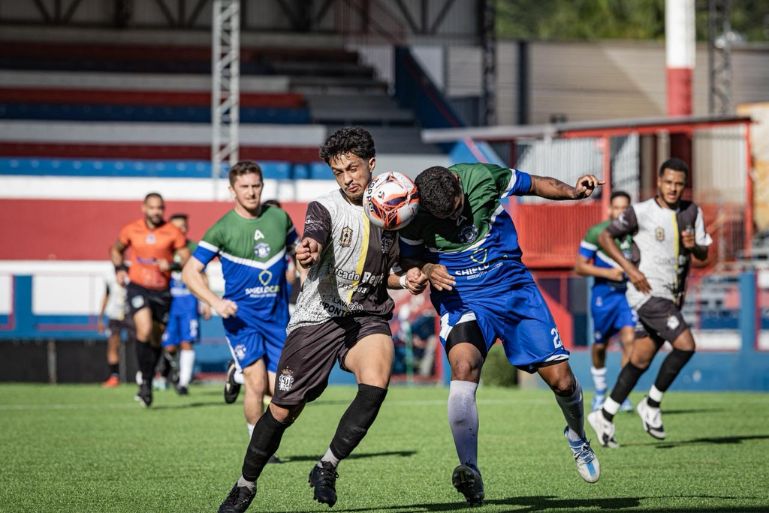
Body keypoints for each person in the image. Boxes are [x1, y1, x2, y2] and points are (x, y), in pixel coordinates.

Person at [216, 127, 426, 513]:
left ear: (371, 164)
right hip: (318, 317)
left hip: (366, 316)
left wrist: (407, 277)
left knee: (376, 382)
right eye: (338, 172)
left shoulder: (397, 208)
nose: (347, 178)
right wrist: (308, 251)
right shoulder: (325, 206)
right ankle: (245, 485)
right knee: (283, 410)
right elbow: (312, 237)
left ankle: (327, 465)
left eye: (353, 168)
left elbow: (391, 271)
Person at [399, 163, 603, 506]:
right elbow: (407, 261)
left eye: (457, 208)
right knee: (463, 367)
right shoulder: (414, 212)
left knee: (564, 383)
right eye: (444, 217)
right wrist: (429, 269)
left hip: (514, 290)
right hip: (462, 297)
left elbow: (536, 183)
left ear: (458, 184)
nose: (454, 220)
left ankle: (578, 437)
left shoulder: (482, 177)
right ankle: (470, 470)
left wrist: (572, 191)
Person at [588, 158, 711, 447]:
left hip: (672, 295)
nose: (673, 188)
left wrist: (696, 247)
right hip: (646, 293)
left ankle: (604, 415)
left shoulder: (692, 211)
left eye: (679, 184)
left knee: (640, 359)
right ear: (659, 181)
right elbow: (606, 236)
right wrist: (631, 271)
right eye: (668, 182)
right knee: (685, 344)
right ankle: (652, 404)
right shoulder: (640, 212)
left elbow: (704, 253)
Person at [183, 162, 297, 443]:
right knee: (256, 384)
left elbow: (300, 255)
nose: (251, 192)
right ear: (232, 190)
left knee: (287, 396)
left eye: (256, 185)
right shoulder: (222, 229)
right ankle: (258, 447)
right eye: (244, 187)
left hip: (278, 320)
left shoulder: (279, 218)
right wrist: (215, 302)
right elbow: (189, 272)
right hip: (241, 320)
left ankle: (236, 376)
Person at [111, 192, 189, 407]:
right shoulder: (131, 229)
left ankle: (147, 378)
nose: (156, 212)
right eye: (152, 207)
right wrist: (118, 269)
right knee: (144, 330)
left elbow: (186, 259)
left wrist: (172, 265)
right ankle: (145, 381)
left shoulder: (172, 232)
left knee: (155, 338)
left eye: (160, 208)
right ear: (144, 208)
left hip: (162, 292)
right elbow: (116, 250)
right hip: (138, 287)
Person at [223, 199, 301, 406]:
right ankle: (242, 374)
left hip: (278, 311)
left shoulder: (285, 241)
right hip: (249, 313)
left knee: (281, 384)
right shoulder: (250, 240)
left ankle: (238, 374)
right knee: (258, 380)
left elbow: (298, 259)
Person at [574, 190, 636, 412]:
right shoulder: (597, 233)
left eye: (625, 208)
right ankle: (600, 392)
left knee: (630, 340)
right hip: (603, 295)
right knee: (600, 345)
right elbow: (579, 266)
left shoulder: (633, 234)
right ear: (610, 209)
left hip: (626, 296)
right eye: (617, 207)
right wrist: (609, 273)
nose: (621, 212)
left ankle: (622, 394)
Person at [159, 213, 211, 395]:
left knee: (187, 343)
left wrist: (206, 301)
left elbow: (202, 274)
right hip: (169, 302)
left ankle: (183, 383)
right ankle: (169, 373)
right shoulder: (163, 247)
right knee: (169, 345)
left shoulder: (193, 248)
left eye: (183, 226)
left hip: (188, 302)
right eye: (175, 226)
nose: (179, 230)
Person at [98, 268, 133, 387]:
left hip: (129, 315)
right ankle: (114, 376)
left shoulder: (132, 279)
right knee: (113, 345)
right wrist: (100, 318)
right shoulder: (110, 280)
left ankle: (143, 374)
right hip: (114, 316)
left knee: (139, 342)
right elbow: (106, 297)